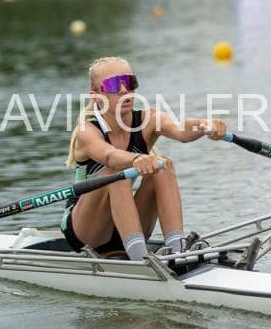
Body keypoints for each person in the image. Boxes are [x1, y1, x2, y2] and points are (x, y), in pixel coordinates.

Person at [62, 56, 227, 261]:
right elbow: (110, 156)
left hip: (124, 224)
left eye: (129, 82)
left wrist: (204, 126)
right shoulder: (87, 131)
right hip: (86, 232)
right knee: (115, 173)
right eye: (114, 84)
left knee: (163, 165)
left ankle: (178, 251)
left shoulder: (148, 120)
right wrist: (136, 159)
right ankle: (140, 260)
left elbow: (181, 131)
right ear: (96, 95)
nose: (124, 90)